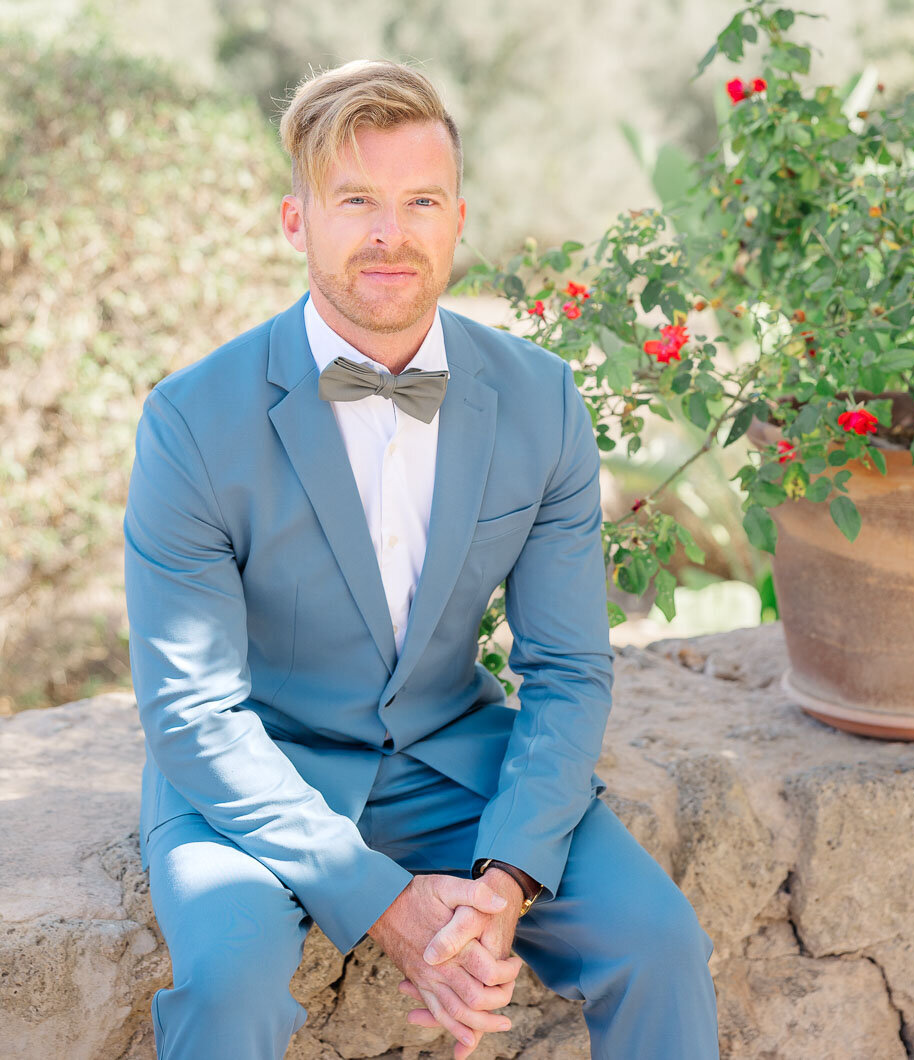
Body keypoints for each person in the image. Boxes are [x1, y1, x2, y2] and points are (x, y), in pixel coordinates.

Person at [123, 60, 720, 1060]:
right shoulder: (192, 421)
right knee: (227, 994)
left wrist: (508, 878)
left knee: (659, 941)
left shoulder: (541, 401)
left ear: (458, 219)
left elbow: (567, 669)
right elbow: (191, 712)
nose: (389, 234)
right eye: (355, 201)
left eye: (418, 202)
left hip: (456, 764)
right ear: (294, 221)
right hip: (255, 778)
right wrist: (381, 902)